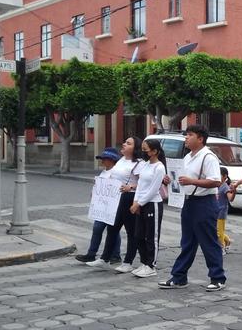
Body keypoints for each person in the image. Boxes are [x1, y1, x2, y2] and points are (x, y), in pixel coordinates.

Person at [158, 125, 226, 291]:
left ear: (200, 138)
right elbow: (182, 179)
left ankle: (218, 278)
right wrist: (170, 180)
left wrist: (192, 181)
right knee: (187, 242)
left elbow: (216, 181)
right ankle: (179, 277)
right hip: (188, 202)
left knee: (209, 242)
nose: (186, 138)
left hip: (204, 202)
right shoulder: (188, 156)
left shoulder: (208, 157)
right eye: (186, 135)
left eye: (190, 135)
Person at [86, 138, 142, 272]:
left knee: (131, 231)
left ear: (135, 148)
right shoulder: (122, 160)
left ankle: (128, 262)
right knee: (112, 228)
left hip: (130, 198)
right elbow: (113, 177)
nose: (123, 144)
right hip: (115, 198)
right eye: (125, 142)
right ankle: (105, 259)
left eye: (128, 143)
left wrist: (131, 187)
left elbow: (145, 182)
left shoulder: (139, 163)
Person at [78, 146, 123, 266]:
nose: (102, 161)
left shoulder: (117, 172)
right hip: (102, 207)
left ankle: (115, 255)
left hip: (112, 206)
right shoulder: (103, 172)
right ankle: (91, 253)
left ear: (111, 160)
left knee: (113, 231)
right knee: (97, 229)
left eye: (104, 159)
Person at [130, 138, 166, 278]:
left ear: (154, 151)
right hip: (141, 203)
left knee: (152, 236)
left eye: (146, 150)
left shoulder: (159, 167)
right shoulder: (144, 165)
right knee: (138, 235)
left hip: (153, 204)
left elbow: (153, 189)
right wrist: (135, 202)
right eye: (142, 149)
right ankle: (144, 262)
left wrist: (140, 203)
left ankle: (151, 265)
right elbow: (140, 185)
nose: (143, 152)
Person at [217, 167, 235, 253]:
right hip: (214, 211)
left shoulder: (225, 187)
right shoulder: (216, 185)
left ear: (225, 176)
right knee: (216, 230)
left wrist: (234, 191)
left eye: (219, 174)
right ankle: (227, 241)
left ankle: (221, 248)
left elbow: (230, 198)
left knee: (219, 232)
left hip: (221, 212)